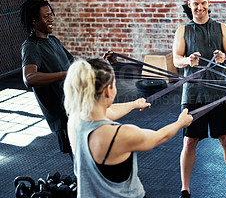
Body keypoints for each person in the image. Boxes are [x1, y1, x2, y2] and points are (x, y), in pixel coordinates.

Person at [63, 58, 193, 197]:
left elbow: (110, 110)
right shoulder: (119, 135)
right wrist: (180, 123)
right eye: (114, 84)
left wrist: (134, 104)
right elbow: (159, 137)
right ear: (108, 90)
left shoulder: (74, 120)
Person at [172, 0, 226, 198]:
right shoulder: (183, 30)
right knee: (189, 141)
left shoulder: (221, 28)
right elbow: (177, 59)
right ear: (189, 5)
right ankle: (185, 190)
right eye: (195, 3)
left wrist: (224, 57)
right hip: (193, 92)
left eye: (203, 3)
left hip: (219, 91)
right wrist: (188, 60)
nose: (200, 7)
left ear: (209, 3)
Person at [20, 0, 74, 155]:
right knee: (80, 162)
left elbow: (74, 65)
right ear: (34, 20)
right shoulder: (31, 46)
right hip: (62, 116)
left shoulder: (54, 41)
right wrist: (66, 75)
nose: (52, 19)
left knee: (90, 158)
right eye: (46, 16)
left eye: (51, 14)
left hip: (74, 108)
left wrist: (101, 62)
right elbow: (29, 78)